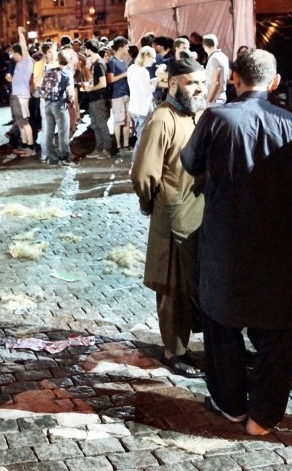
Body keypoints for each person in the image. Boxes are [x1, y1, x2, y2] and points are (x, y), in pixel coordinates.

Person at [181, 49, 292, 435]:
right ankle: (263, 415)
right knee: (279, 330)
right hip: (280, 243)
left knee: (221, 323)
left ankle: (231, 404)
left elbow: (190, 163)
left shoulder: (216, 118)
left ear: (235, 79)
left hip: (225, 240)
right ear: (275, 82)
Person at [130, 56, 208, 378]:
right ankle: (174, 351)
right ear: (173, 83)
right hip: (173, 218)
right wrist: (151, 204)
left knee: (197, 286)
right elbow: (143, 175)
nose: (199, 89)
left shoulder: (199, 114)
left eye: (202, 83)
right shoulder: (162, 119)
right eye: (192, 83)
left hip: (200, 217)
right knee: (172, 289)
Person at [38, 49, 75, 166]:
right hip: (59, 105)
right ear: (68, 61)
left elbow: (42, 87)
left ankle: (52, 158)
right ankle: (65, 158)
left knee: (49, 132)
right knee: (63, 132)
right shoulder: (67, 73)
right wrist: (72, 101)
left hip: (47, 104)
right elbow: (70, 92)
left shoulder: (49, 71)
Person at [126, 46, 158, 161]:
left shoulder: (132, 68)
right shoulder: (143, 71)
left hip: (134, 107)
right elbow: (146, 92)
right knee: (143, 137)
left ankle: (137, 162)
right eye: (152, 58)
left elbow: (137, 85)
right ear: (146, 57)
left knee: (140, 134)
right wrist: (154, 84)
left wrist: (152, 81)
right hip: (143, 108)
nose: (154, 61)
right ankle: (137, 162)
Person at [6, 27, 35, 155]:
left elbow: (23, 45)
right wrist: (11, 79)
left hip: (22, 96)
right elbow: (19, 80)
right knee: (20, 123)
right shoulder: (18, 64)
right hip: (16, 95)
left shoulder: (26, 61)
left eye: (13, 53)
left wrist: (19, 32)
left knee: (24, 122)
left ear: (18, 52)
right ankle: (24, 145)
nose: (12, 55)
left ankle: (31, 147)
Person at [82, 39, 112, 158]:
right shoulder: (96, 63)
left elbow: (103, 83)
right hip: (94, 98)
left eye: (85, 49)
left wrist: (91, 88)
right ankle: (99, 148)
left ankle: (106, 149)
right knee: (95, 124)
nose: (84, 51)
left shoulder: (99, 64)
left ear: (89, 49)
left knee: (101, 124)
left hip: (98, 98)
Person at [107, 36, 131, 155]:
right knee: (118, 121)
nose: (128, 49)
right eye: (126, 47)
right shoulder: (112, 62)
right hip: (117, 94)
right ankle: (118, 146)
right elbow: (110, 79)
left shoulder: (122, 61)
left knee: (127, 120)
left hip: (125, 93)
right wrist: (124, 75)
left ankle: (126, 145)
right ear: (120, 48)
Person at [202, 34, 231, 106]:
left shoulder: (214, 58)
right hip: (220, 96)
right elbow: (227, 77)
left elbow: (215, 82)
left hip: (214, 98)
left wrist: (207, 101)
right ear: (216, 43)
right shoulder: (223, 56)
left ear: (204, 45)